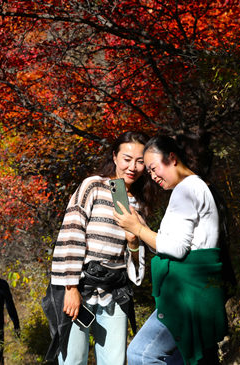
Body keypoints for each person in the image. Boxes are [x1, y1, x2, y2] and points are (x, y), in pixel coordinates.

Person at [113, 135, 233, 365]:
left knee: (141, 354)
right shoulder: (196, 186)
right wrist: (143, 229)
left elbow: (176, 250)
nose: (153, 176)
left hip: (185, 297)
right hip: (199, 295)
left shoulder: (186, 190)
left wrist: (137, 228)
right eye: (149, 172)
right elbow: (174, 245)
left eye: (154, 168)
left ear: (172, 158)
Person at [43, 131, 158, 365]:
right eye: (127, 159)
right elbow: (72, 233)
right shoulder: (93, 186)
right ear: (114, 157)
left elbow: (136, 259)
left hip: (115, 290)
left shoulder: (138, 202)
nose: (133, 167)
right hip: (81, 287)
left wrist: (134, 243)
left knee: (115, 361)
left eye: (139, 161)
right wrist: (70, 287)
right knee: (73, 359)